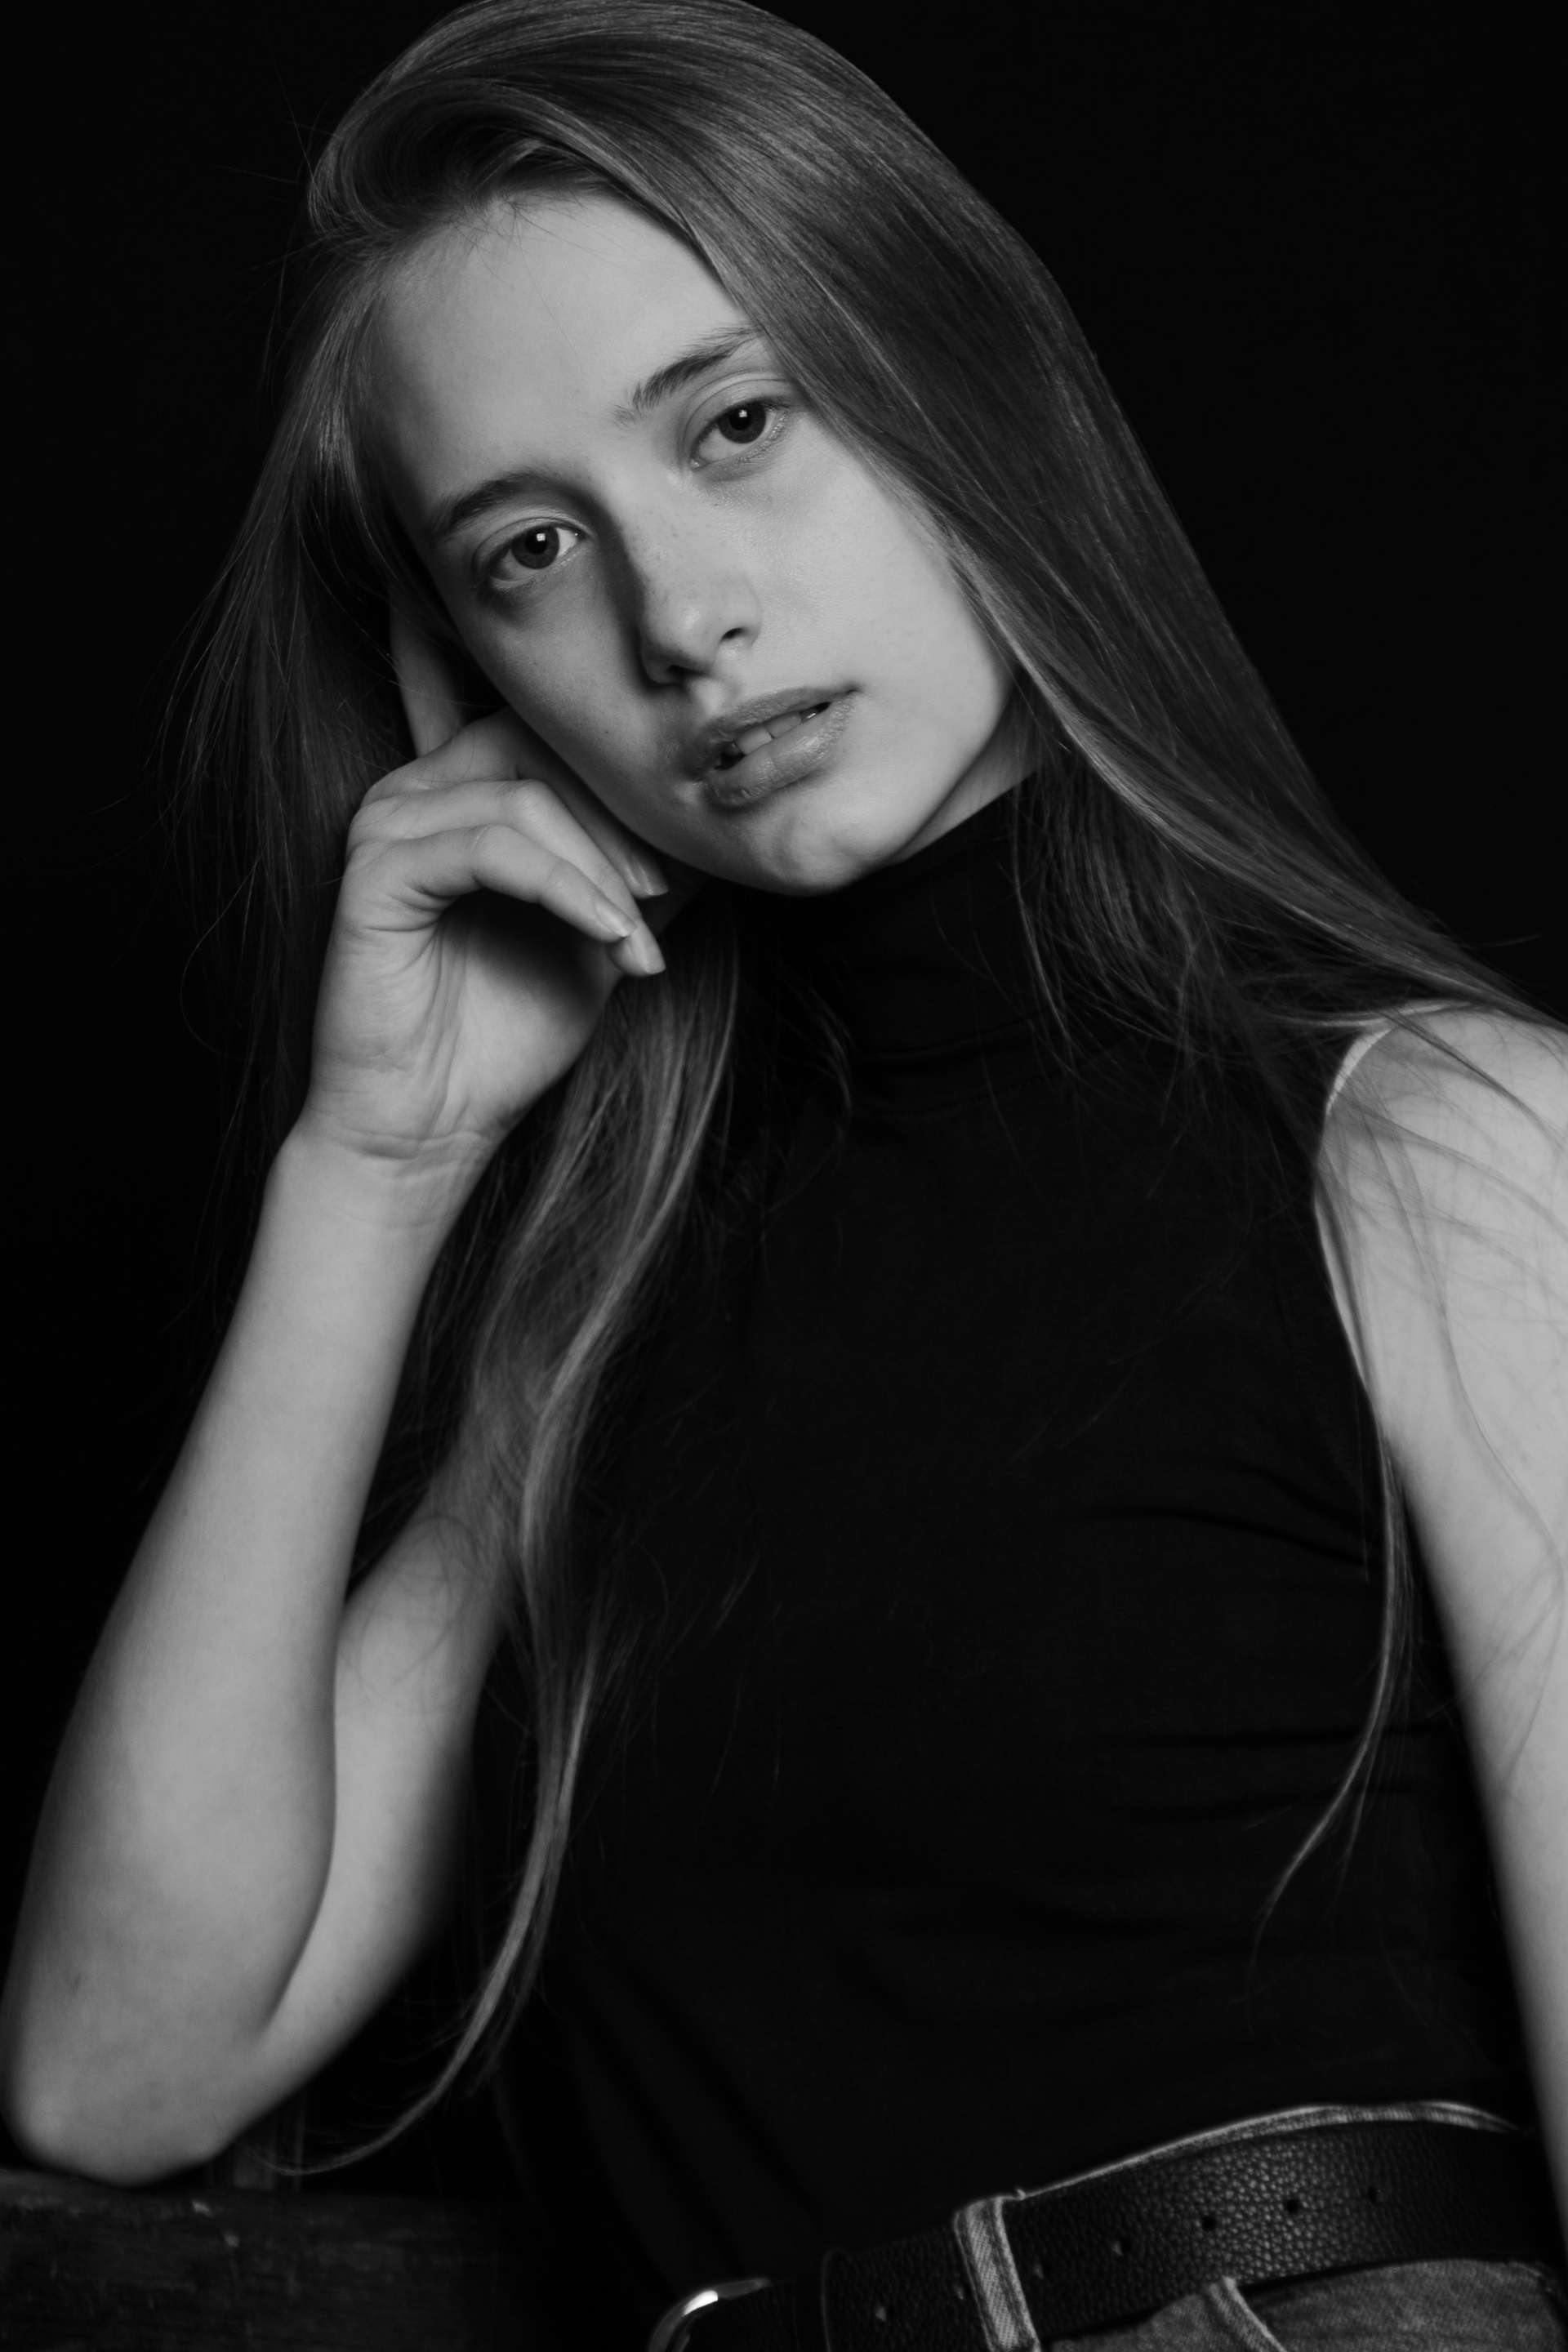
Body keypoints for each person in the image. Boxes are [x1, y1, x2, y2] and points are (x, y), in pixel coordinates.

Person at [2, 3, 1564, 2345]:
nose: (680, 619)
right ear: (460, 676)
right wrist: (378, 1161)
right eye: (533, 549)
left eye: (737, 425)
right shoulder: (597, 1337)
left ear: (964, 396)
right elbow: (115, 2066)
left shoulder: (1444, 1149)